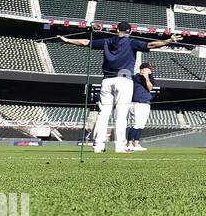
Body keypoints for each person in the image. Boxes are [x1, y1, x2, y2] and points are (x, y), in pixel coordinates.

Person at [58, 22, 182, 154]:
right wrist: (169, 40)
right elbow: (151, 45)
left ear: (117, 29)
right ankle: (120, 146)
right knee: (121, 115)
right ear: (130, 31)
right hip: (124, 80)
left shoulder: (106, 41)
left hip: (107, 80)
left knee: (103, 114)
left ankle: (98, 146)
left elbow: (84, 42)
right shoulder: (131, 42)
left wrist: (68, 40)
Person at [127, 61, 155, 153]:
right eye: (149, 69)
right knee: (137, 124)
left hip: (146, 102)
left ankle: (136, 143)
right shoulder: (136, 77)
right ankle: (129, 144)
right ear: (143, 69)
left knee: (141, 125)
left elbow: (150, 87)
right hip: (137, 102)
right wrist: (144, 76)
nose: (151, 70)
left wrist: (147, 77)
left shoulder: (150, 77)